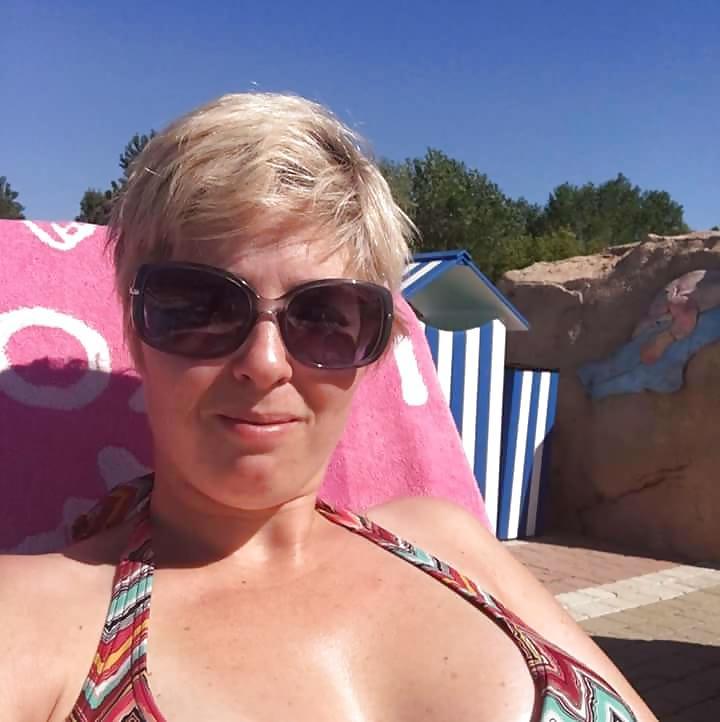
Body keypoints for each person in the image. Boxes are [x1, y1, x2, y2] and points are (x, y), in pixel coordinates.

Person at [0, 92, 658, 722]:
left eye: (323, 317)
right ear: (136, 334)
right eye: (200, 307)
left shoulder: (446, 539)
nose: (265, 362)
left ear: (373, 348)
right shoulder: (34, 617)